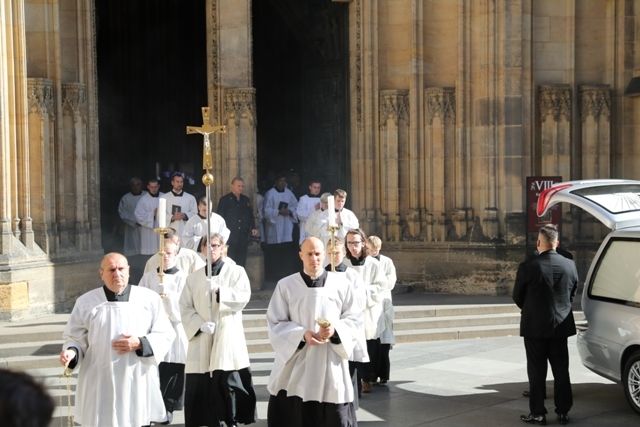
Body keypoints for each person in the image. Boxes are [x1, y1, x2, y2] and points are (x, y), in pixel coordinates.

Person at [59, 252, 175, 426]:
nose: (117, 274)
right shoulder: (86, 302)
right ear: (101, 273)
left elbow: (165, 333)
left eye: (121, 269)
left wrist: (140, 343)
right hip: (100, 377)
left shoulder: (148, 299)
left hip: (136, 375)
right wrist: (71, 352)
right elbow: (75, 337)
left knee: (136, 418)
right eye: (111, 269)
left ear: (128, 270)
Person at [266, 237, 360, 427]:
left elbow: (354, 319)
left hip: (331, 362)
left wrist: (335, 331)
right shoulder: (286, 286)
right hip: (297, 362)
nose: (314, 258)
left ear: (324, 255)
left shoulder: (342, 285)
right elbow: (275, 323)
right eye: (309, 254)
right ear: (301, 255)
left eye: (317, 254)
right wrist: (302, 334)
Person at [180, 233, 256, 427]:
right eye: (207, 246)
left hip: (226, 332)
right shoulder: (194, 278)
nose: (211, 250)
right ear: (202, 250)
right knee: (202, 381)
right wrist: (198, 324)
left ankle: (230, 419)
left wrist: (221, 292)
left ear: (223, 248)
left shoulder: (236, 271)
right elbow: (185, 306)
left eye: (215, 246)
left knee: (226, 380)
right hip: (203, 335)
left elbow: (243, 296)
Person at [513, 224, 578, 426]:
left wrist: (532, 310)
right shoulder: (570, 265)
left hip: (534, 327)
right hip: (560, 325)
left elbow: (517, 296)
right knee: (561, 370)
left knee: (536, 371)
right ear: (557, 243)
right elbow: (572, 293)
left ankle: (538, 413)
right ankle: (563, 411)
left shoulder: (528, 266)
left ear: (539, 243)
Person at [138, 239, 189, 419]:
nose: (165, 257)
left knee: (174, 368)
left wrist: (169, 298)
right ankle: (154, 407)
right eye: (162, 253)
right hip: (155, 330)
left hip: (175, 327)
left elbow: (187, 305)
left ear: (176, 254)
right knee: (156, 370)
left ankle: (169, 406)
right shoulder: (149, 277)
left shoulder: (182, 278)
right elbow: (140, 303)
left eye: (169, 253)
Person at [343, 228, 387, 394]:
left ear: (363, 243)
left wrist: (361, 292)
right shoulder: (343, 265)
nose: (353, 247)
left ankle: (367, 378)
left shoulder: (373, 264)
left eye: (356, 243)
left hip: (368, 311)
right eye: (349, 243)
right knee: (351, 347)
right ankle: (353, 379)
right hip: (349, 313)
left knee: (368, 346)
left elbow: (380, 287)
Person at [325, 237, 368, 403]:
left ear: (344, 253)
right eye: (330, 253)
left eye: (337, 252)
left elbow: (359, 302)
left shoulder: (352, 275)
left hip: (347, 327)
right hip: (329, 328)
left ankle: (350, 403)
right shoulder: (323, 274)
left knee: (349, 368)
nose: (334, 256)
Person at [366, 235, 397, 385]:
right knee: (373, 342)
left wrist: (380, 285)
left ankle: (384, 374)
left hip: (384, 300)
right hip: (371, 303)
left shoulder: (387, 262)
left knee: (384, 343)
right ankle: (371, 375)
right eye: (370, 249)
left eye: (376, 249)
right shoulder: (365, 262)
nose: (373, 252)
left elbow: (391, 280)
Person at [263, 174, 299, 281]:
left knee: (286, 253)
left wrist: (290, 211)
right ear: (276, 182)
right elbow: (266, 210)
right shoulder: (270, 193)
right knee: (275, 254)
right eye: (280, 180)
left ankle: (286, 275)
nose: (283, 183)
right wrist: (278, 211)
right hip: (274, 228)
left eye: (284, 181)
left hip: (286, 227)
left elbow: (296, 206)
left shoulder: (289, 193)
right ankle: (274, 277)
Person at [217, 177, 259, 266]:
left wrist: (253, 227)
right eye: (238, 186)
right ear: (232, 186)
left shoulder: (245, 200)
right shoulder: (225, 200)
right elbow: (219, 218)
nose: (241, 188)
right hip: (230, 236)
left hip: (243, 235)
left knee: (242, 260)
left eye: (242, 186)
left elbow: (250, 215)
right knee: (230, 260)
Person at [161, 172, 198, 240]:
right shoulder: (164, 198)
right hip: (170, 231)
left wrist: (185, 215)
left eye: (181, 182)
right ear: (172, 183)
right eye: (177, 182)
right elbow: (160, 215)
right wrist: (172, 217)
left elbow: (195, 213)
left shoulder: (190, 198)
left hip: (185, 230)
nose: (179, 184)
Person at [134, 178, 164, 256]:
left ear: (158, 186)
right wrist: (152, 214)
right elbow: (138, 215)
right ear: (148, 187)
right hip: (149, 232)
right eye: (152, 187)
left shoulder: (164, 197)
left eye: (155, 187)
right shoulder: (143, 200)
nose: (154, 189)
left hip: (162, 228)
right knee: (150, 254)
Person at [118, 176, 144, 256]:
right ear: (131, 186)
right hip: (131, 228)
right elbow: (122, 212)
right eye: (133, 185)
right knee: (132, 250)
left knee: (145, 249)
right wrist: (133, 222)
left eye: (138, 184)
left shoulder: (147, 196)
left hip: (145, 228)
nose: (136, 187)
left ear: (141, 185)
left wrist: (144, 222)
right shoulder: (125, 198)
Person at [295, 179, 322, 244]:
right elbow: (300, 215)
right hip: (306, 231)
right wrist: (314, 209)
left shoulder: (322, 199)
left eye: (318, 188)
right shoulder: (303, 199)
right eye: (314, 187)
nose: (317, 189)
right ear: (310, 187)